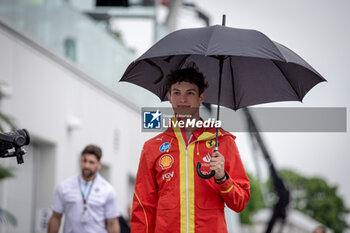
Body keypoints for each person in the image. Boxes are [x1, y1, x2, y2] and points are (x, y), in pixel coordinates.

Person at [131, 67, 250, 233]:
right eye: (177, 93)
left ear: (201, 97)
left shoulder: (223, 141)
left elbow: (240, 202)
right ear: (169, 98)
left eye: (190, 93)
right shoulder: (152, 147)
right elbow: (143, 207)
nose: (183, 99)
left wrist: (222, 177)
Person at [48, 144, 121, 233]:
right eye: (84, 161)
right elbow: (55, 217)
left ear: (99, 165)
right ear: (80, 161)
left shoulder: (108, 190)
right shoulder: (64, 186)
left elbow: (112, 223)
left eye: (91, 162)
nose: (86, 165)